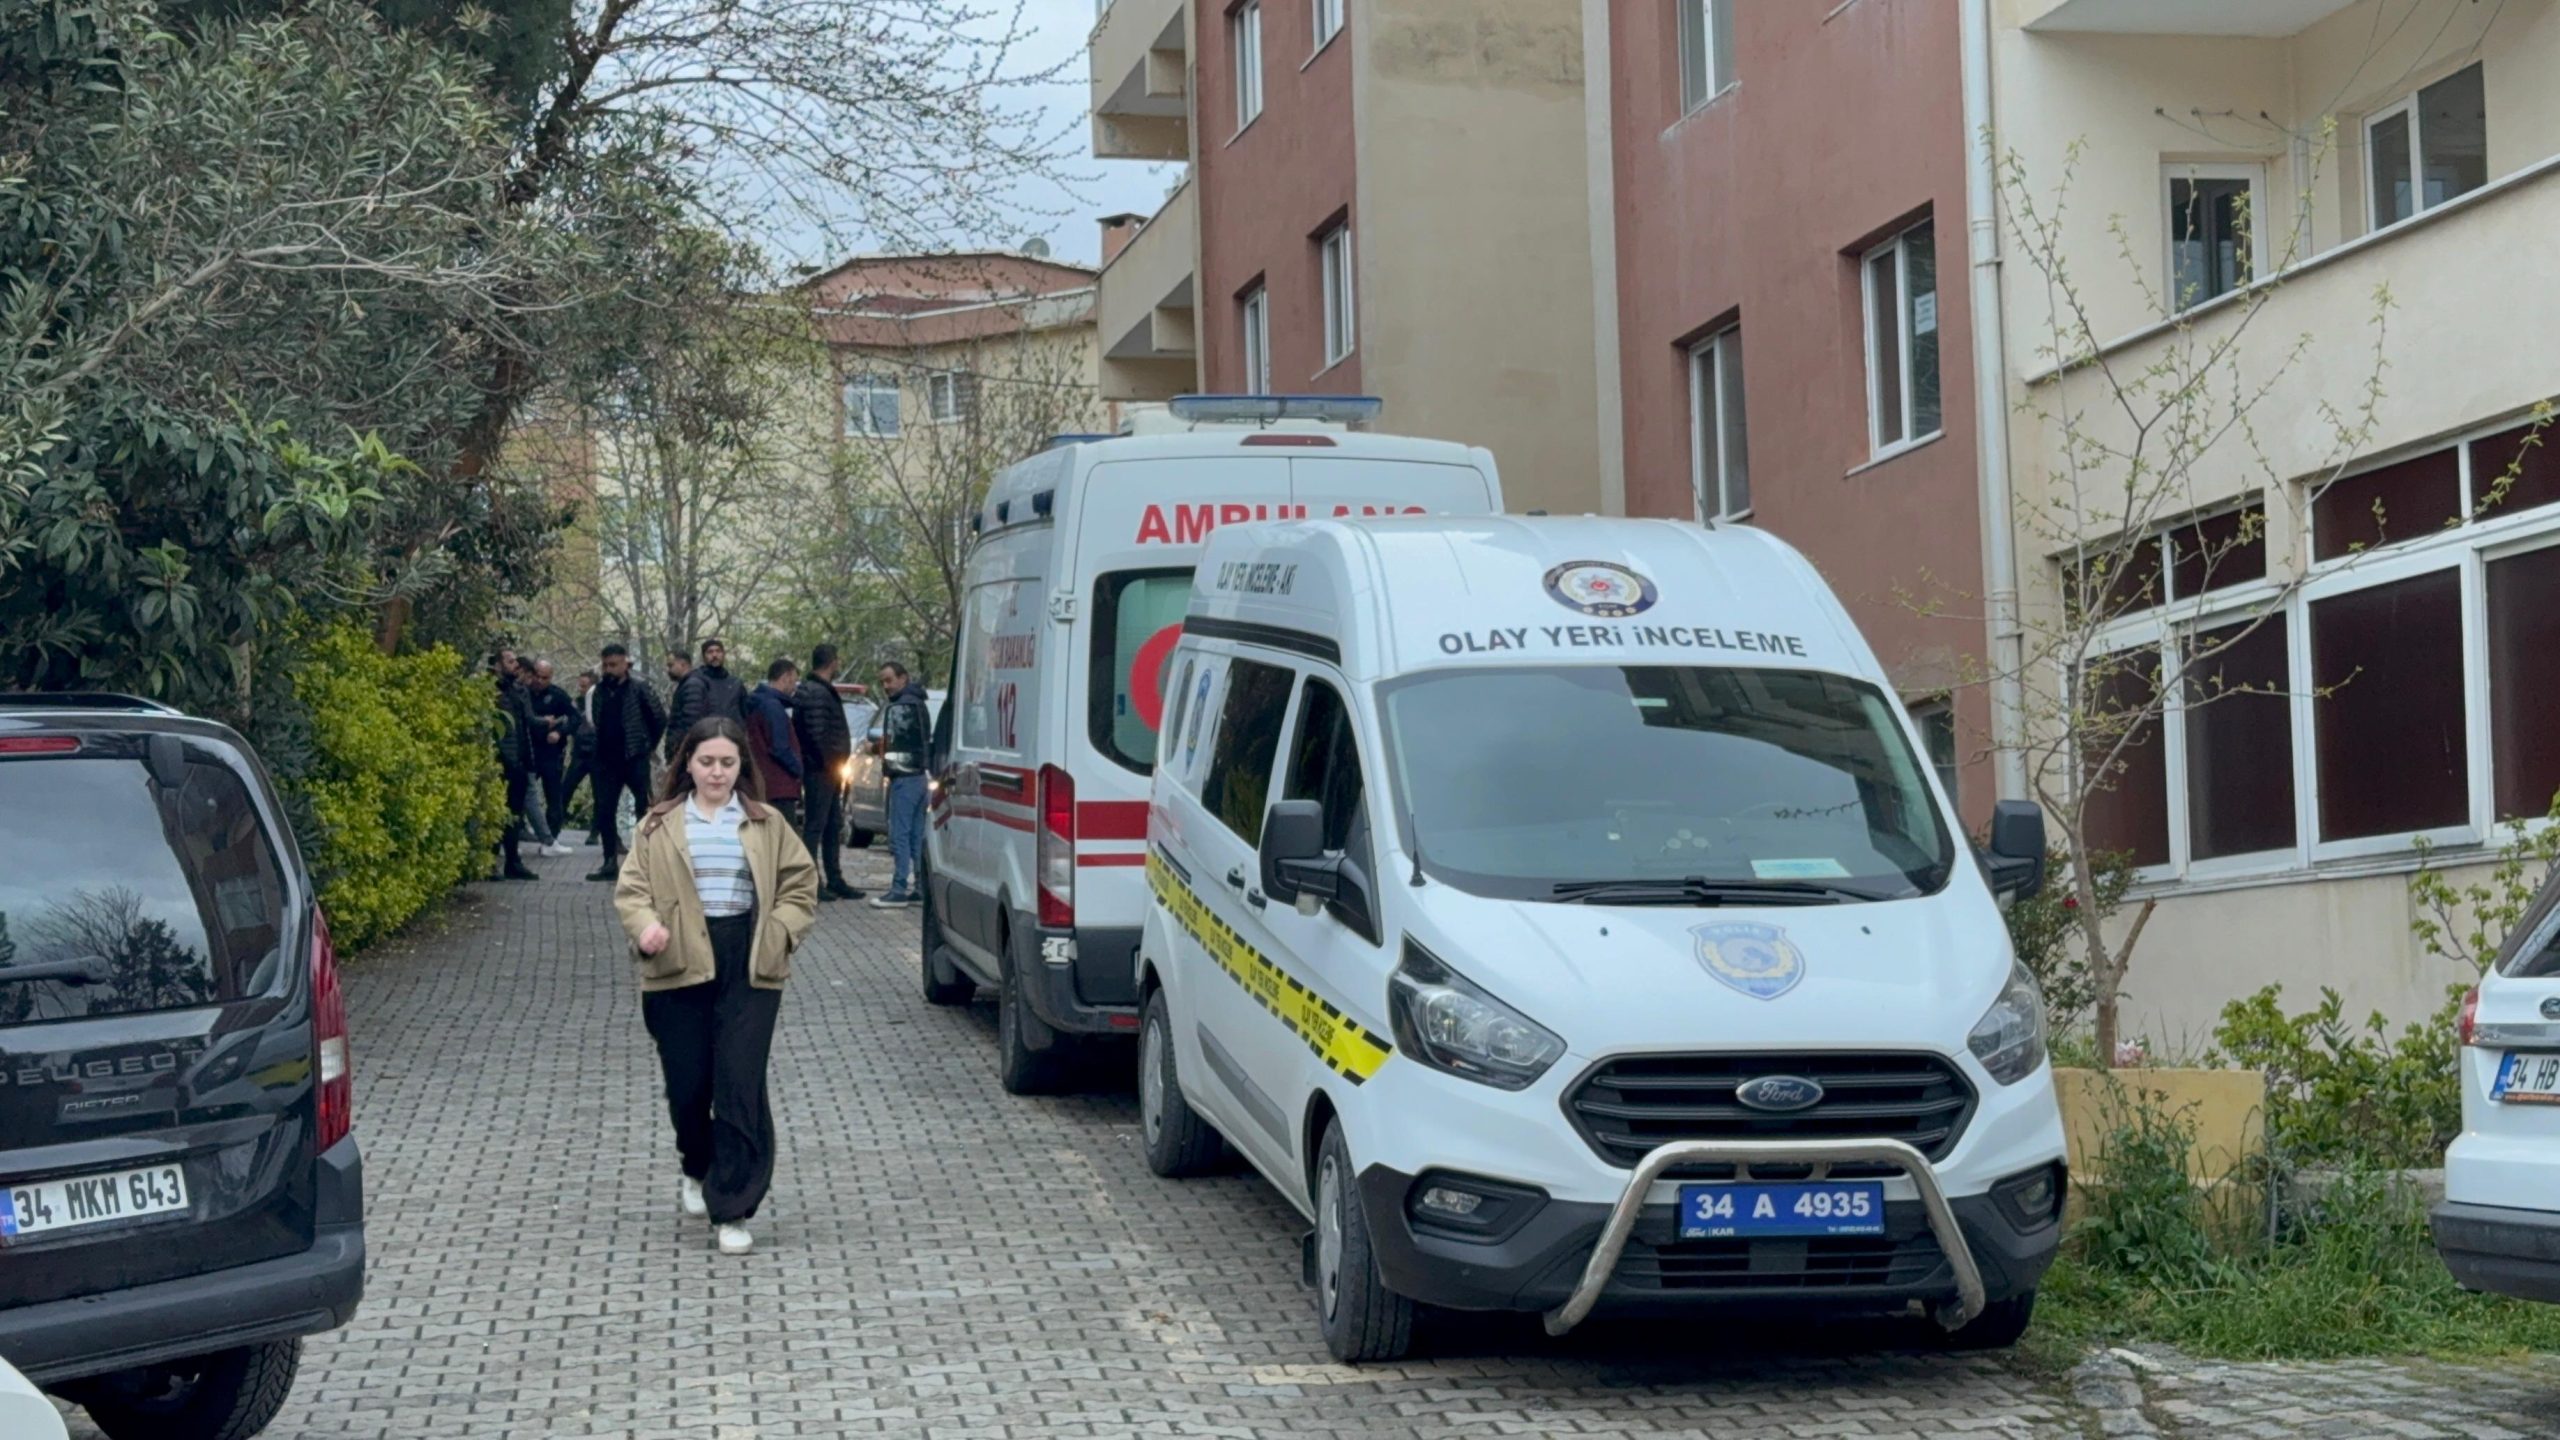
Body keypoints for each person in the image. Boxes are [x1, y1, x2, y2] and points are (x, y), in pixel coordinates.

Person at [613, 717, 818, 1257]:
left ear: (741, 767)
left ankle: (733, 1207)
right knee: (690, 1086)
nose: (717, 773)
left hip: (748, 961)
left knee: (738, 1080)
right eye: (707, 762)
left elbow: (802, 883)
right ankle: (696, 1164)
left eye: (728, 763)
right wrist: (646, 928)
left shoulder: (766, 822)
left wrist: (781, 931)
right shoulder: (658, 825)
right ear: (687, 764)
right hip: (677, 962)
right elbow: (631, 890)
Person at [586, 644, 667, 881]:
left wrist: (646, 744)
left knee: (644, 808)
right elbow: (595, 721)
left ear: (625, 664)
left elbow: (659, 718)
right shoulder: (599, 691)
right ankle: (609, 861)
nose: (609, 670)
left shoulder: (639, 689)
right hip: (606, 759)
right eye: (606, 665)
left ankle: (644, 862)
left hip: (634, 757)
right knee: (605, 809)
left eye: (614, 665)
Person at [792, 645, 862, 903]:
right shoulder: (816, 693)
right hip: (821, 770)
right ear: (833, 662)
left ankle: (835, 878)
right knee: (816, 826)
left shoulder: (818, 691)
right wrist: (826, 763)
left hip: (829, 770)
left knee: (833, 824)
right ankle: (812, 881)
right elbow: (816, 733)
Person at [869, 660, 931, 908]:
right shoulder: (918, 704)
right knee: (916, 835)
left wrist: (880, 750)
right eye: (882, 681)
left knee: (900, 835)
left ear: (903, 678)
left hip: (904, 778)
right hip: (919, 777)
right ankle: (920, 888)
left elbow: (896, 743)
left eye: (889, 680)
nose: (885, 686)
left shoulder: (902, 707)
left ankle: (898, 889)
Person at [490, 660, 542, 882]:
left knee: (513, 814)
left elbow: (526, 721)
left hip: (520, 759)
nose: (516, 666)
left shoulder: (518, 691)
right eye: (510, 661)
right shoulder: (492, 690)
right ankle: (490, 862)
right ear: (499, 665)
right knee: (496, 814)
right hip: (503, 760)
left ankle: (513, 861)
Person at [742, 658, 805, 828]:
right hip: (779, 785)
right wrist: (798, 769)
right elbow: (780, 747)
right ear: (787, 677)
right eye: (794, 681)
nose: (794, 688)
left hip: (764, 782)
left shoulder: (757, 703)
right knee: (783, 837)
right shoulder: (772, 707)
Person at [529, 659, 582, 849]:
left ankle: (552, 838)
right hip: (529, 752)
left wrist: (560, 732)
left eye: (545, 678)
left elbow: (576, 717)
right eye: (537, 676)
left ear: (550, 678)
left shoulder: (557, 695)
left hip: (551, 753)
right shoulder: (524, 693)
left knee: (553, 796)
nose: (539, 681)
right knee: (523, 794)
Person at [668, 639, 746, 753]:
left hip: (732, 743)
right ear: (704, 656)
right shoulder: (696, 682)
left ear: (723, 654)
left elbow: (745, 714)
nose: (714, 655)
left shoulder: (736, 684)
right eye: (710, 652)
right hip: (705, 744)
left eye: (718, 651)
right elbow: (686, 720)